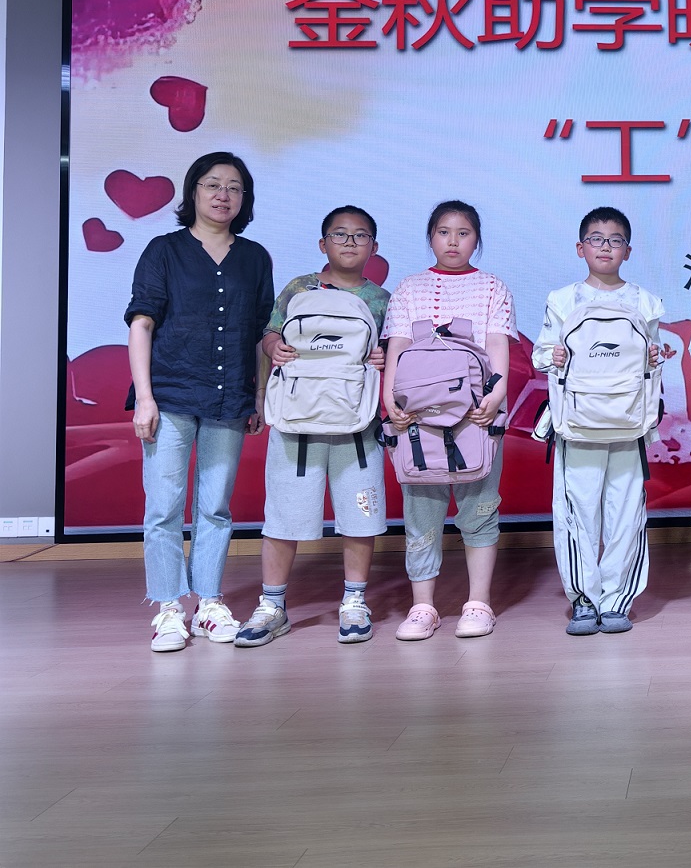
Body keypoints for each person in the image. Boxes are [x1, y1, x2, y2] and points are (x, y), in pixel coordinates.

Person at [125, 152, 274, 652]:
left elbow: (260, 333)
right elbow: (141, 323)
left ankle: (209, 602)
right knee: (163, 507)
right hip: (168, 394)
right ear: (193, 191)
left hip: (229, 398)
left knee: (215, 507)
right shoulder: (163, 250)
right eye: (212, 184)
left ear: (244, 199)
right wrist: (144, 398)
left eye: (234, 187)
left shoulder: (254, 257)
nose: (222, 195)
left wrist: (258, 395)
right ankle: (169, 608)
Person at [236, 207, 390, 646]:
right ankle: (272, 606)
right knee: (284, 514)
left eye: (360, 235)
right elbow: (270, 333)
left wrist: (382, 356)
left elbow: (389, 352)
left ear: (374, 247)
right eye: (339, 234)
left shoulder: (382, 299)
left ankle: (355, 600)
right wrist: (274, 346)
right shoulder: (299, 288)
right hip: (296, 422)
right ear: (322, 244)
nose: (349, 242)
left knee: (360, 513)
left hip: (357, 426)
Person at [382, 201, 514, 641]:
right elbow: (398, 348)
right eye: (443, 232)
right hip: (417, 419)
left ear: (477, 239)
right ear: (430, 237)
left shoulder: (492, 287)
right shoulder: (409, 288)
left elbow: (497, 345)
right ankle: (423, 607)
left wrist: (495, 396)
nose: (453, 241)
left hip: (476, 414)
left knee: (480, 507)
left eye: (463, 232)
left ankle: (478, 604)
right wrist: (390, 401)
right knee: (421, 513)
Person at [535, 207, 664, 635]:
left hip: (628, 423)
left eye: (614, 240)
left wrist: (655, 355)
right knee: (578, 514)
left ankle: (616, 601)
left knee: (626, 515)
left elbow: (654, 360)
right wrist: (551, 354)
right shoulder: (562, 300)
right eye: (596, 239)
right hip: (577, 424)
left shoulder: (645, 301)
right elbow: (541, 354)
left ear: (628, 250)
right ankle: (584, 602)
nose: (605, 247)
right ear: (580, 248)